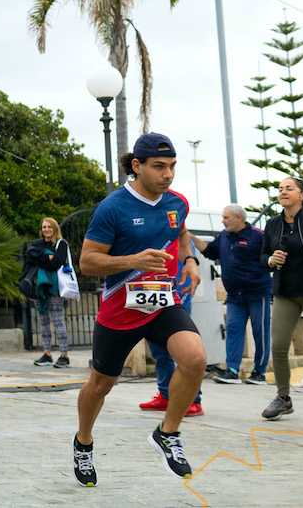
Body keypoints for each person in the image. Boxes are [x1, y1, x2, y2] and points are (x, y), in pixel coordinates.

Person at [73, 133, 205, 486]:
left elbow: (179, 232)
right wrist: (133, 259)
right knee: (100, 385)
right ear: (137, 166)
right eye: (159, 167)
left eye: (173, 167)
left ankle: (168, 433)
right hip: (121, 307)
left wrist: (189, 260)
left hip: (163, 301)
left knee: (195, 360)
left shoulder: (177, 203)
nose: (168, 174)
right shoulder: (113, 208)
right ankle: (83, 441)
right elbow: (87, 262)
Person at [193, 204, 271, 385]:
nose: (223, 221)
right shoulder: (223, 237)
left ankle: (259, 373)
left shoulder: (258, 236)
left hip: (257, 293)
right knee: (234, 330)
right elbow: (209, 251)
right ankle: (232, 371)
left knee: (261, 332)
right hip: (235, 295)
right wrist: (187, 235)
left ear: (239, 218)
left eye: (226, 218)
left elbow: (270, 259)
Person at [259, 176, 303, 420]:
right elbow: (263, 255)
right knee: (278, 346)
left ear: (302, 195)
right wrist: (270, 260)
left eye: (289, 188)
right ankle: (283, 397)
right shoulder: (272, 224)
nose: (283, 191)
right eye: (280, 189)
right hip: (285, 293)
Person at [137, 258, 204, 416]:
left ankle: (193, 400)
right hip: (152, 293)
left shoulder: (179, 235)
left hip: (176, 295)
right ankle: (166, 395)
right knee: (159, 350)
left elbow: (187, 261)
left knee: (186, 353)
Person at [31, 217, 71, 368]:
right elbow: (29, 258)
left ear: (55, 228)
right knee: (43, 322)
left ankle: (64, 355)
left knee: (57, 321)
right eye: (43, 227)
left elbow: (56, 263)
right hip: (40, 287)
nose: (46, 229)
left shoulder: (61, 244)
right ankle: (47, 354)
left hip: (54, 288)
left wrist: (42, 258)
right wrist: (46, 257)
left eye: (49, 227)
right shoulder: (38, 244)